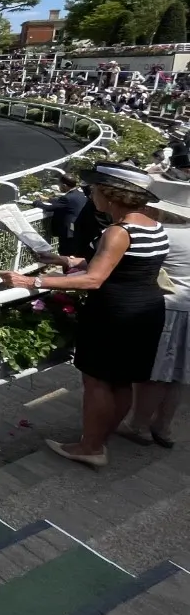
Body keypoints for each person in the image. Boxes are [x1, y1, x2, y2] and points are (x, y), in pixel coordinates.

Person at [1, 164, 168, 467]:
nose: (91, 195)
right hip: (146, 309)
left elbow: (93, 279)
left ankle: (91, 446)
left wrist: (32, 281)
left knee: (98, 381)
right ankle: (100, 438)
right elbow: (124, 265)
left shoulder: (118, 231)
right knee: (121, 380)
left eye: (95, 189)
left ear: (110, 194)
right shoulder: (152, 224)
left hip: (115, 312)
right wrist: (63, 259)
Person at [121, 175, 188, 448]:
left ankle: (139, 425)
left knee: (155, 373)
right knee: (180, 375)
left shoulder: (164, 234)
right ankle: (163, 427)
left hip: (167, 307)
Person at [35, 174, 87, 251]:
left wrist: (37, 203)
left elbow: (50, 208)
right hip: (78, 229)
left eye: (59, 185)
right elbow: (62, 202)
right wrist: (47, 199)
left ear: (64, 185)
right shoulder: (81, 194)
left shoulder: (67, 198)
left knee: (65, 252)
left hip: (68, 232)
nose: (59, 187)